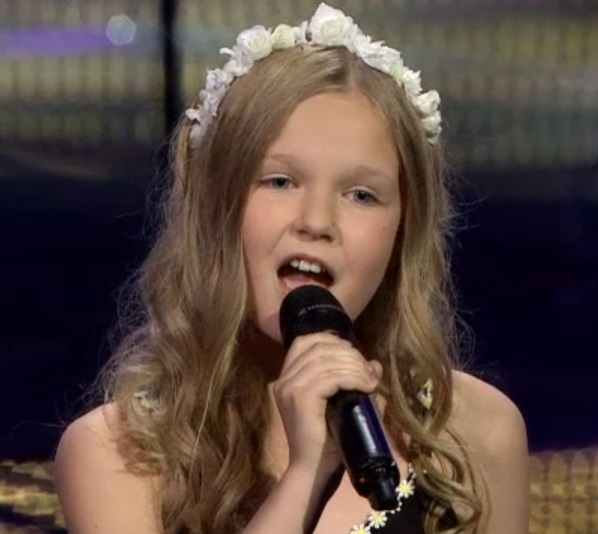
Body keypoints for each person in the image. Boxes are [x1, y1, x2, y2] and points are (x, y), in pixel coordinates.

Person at [53, 3, 529, 533]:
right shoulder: (119, 456)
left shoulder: (475, 435)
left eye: (362, 194)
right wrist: (306, 475)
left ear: (404, 230)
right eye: (280, 182)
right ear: (215, 205)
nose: (317, 222)